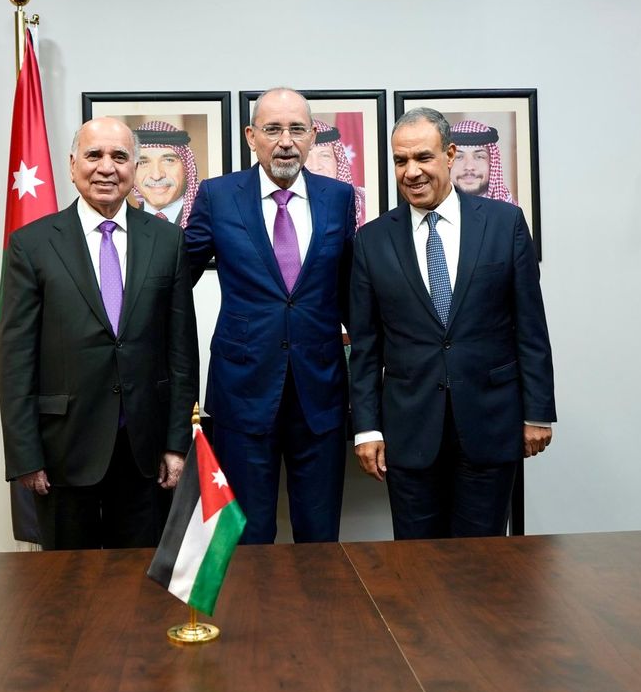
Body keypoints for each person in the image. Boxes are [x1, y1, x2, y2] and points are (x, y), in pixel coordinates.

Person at [348, 108, 555, 540]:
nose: (412, 172)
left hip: (490, 424)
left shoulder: (504, 224)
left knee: (482, 562)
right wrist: (366, 428)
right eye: (401, 161)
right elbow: (366, 347)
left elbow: (530, 327)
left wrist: (537, 412)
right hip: (409, 431)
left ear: (449, 154)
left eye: (423, 157)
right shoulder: (371, 241)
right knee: (417, 563)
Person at [0, 117, 198, 550]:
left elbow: (182, 352)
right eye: (94, 155)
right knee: (68, 582)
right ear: (73, 165)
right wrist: (25, 455)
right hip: (63, 450)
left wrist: (176, 444)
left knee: (140, 579)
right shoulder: (32, 244)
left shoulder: (168, 242)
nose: (106, 167)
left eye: (119, 157)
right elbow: (16, 360)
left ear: (133, 168)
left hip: (145, 451)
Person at [185, 88, 357, 544]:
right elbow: (175, 279)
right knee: (247, 537)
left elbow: (351, 293)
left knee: (320, 536)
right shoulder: (219, 196)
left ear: (312, 136)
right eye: (273, 129)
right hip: (242, 391)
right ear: (251, 136)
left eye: (297, 129)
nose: (285, 141)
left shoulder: (339, 197)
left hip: (320, 392)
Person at [132, 121, 199, 227]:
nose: (156, 176)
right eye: (143, 162)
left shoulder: (208, 222)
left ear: (186, 167)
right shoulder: (120, 226)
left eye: (169, 160)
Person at [306, 119, 367, 229]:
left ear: (338, 161)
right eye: (306, 156)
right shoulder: (282, 205)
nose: (315, 166)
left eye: (325, 155)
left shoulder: (364, 203)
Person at [451, 119, 517, 205]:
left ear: (491, 163)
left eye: (479, 157)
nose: (469, 167)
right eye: (458, 157)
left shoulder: (510, 210)